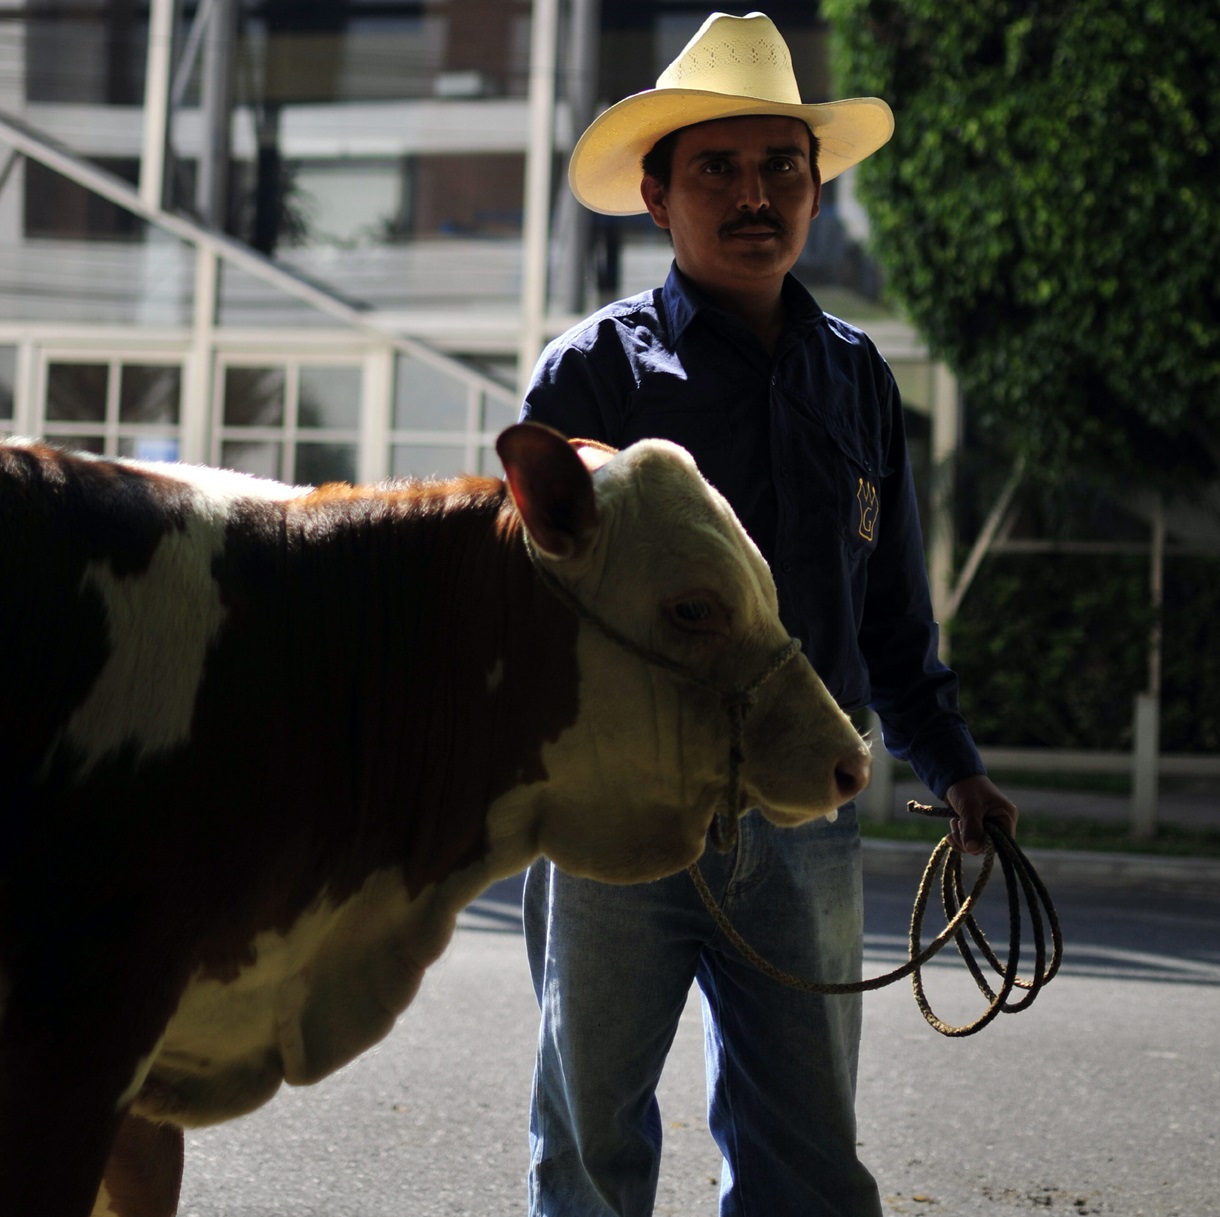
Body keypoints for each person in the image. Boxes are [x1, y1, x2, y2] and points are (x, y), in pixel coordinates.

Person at [518, 12, 1019, 1216]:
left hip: (806, 811)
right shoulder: (589, 377)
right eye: (717, 170)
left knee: (806, 1158)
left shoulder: (856, 375)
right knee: (588, 1152)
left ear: (811, 188)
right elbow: (527, 622)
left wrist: (953, 768)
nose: (755, 196)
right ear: (655, 193)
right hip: (617, 816)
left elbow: (891, 614)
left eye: (779, 168)